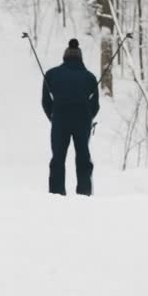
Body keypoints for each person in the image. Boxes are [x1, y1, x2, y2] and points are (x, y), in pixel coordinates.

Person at [42, 38, 99, 196]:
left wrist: (53, 116)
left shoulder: (51, 75)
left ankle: (56, 193)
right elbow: (95, 104)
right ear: (80, 57)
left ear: (64, 57)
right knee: (83, 157)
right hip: (82, 121)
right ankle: (84, 193)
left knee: (58, 158)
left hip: (60, 120)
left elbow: (46, 101)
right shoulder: (90, 77)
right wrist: (88, 117)